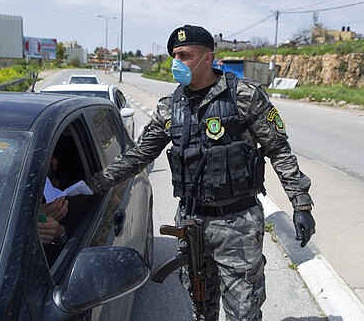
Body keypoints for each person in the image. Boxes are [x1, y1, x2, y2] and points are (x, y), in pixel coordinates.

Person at [88, 24, 316, 321]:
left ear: (206, 57)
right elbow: (139, 155)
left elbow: (279, 150)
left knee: (244, 312)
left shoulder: (244, 96)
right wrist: (91, 185)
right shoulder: (170, 107)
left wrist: (301, 204)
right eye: (173, 55)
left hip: (238, 224)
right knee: (200, 308)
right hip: (191, 222)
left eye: (184, 54)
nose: (175, 62)